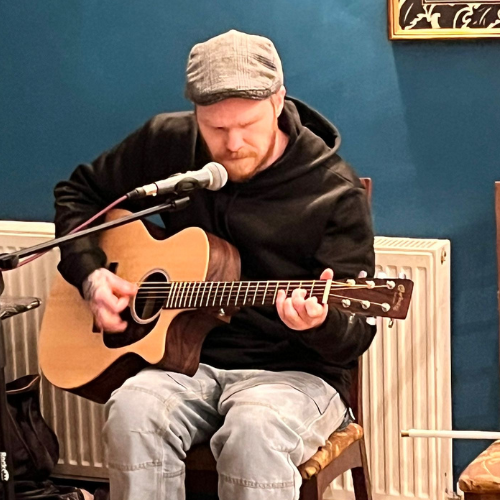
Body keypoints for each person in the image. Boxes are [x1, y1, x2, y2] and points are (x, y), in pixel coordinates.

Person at [54, 29, 375, 500]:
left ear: (278, 101)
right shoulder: (168, 143)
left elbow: (355, 334)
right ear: (196, 115)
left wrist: (319, 322)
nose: (234, 143)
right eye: (216, 129)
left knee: (254, 430)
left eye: (248, 125)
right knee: (133, 411)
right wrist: (91, 275)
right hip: (184, 362)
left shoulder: (332, 189)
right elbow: (79, 194)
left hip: (296, 374)